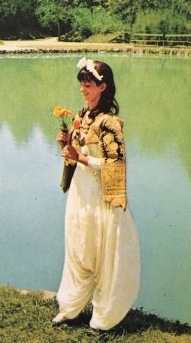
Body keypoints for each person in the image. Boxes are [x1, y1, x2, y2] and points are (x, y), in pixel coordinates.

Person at [53, 58, 140, 331]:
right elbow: (75, 157)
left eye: (88, 85)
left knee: (104, 253)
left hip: (102, 197)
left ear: (103, 87)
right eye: (81, 85)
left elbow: (116, 166)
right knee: (79, 247)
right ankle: (71, 307)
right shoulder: (81, 116)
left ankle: (103, 318)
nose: (83, 90)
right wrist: (67, 147)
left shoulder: (109, 123)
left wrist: (81, 158)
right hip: (81, 193)